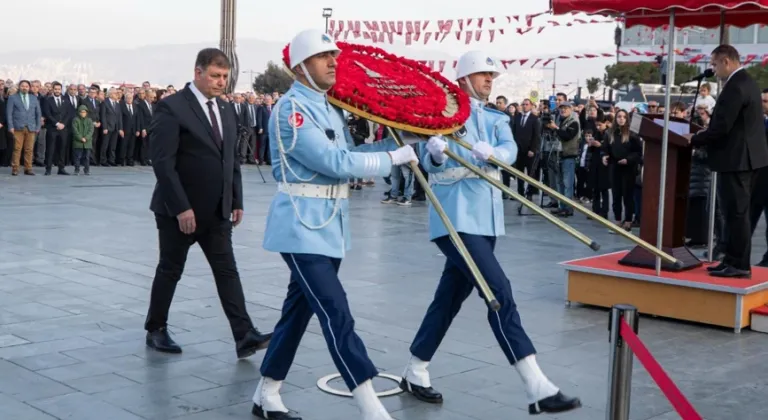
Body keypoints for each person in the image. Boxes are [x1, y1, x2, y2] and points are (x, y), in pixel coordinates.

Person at [398, 50, 581, 415]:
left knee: (448, 299)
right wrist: (434, 152)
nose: (488, 80)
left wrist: (492, 153)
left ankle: (415, 369)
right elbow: (432, 166)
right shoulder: (442, 115)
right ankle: (536, 384)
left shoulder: (497, 118)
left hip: (485, 222)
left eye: (491, 76)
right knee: (499, 292)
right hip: (454, 220)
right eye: (483, 74)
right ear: (464, 78)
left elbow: (510, 151)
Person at [250, 29, 418, 420]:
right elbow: (334, 163)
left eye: (334, 56)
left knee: (298, 313)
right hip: (300, 226)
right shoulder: (292, 110)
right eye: (323, 56)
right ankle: (369, 404)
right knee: (335, 311)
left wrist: (410, 143)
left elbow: (352, 152)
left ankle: (266, 393)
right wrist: (392, 159)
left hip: (328, 227)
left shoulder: (329, 108)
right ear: (300, 67)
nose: (332, 62)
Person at [144, 48, 272, 358]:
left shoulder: (226, 109)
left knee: (227, 271)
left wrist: (236, 199)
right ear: (197, 72)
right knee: (170, 268)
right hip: (180, 212)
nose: (220, 82)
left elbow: (231, 159)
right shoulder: (171, 108)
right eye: (215, 76)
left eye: (225, 77)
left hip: (217, 211)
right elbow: (163, 162)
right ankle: (156, 329)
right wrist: (181, 207)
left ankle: (244, 336)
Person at [686, 45, 768, 278]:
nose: (713, 69)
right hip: (741, 159)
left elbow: (722, 127)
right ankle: (731, 259)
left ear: (726, 62)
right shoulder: (746, 81)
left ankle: (740, 265)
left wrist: (695, 138)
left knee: (737, 213)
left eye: (714, 64)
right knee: (734, 213)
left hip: (737, 160)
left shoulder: (735, 86)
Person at [71, 105, 93, 175]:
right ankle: (76, 169)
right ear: (79, 112)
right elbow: (75, 130)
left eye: (84, 112)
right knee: (77, 157)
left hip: (87, 142)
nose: (83, 113)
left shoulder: (89, 120)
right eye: (81, 112)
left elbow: (91, 130)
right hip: (78, 142)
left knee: (87, 157)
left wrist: (86, 138)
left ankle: (86, 170)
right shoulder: (75, 120)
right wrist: (80, 138)